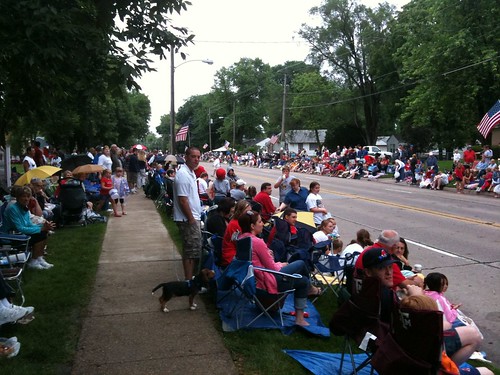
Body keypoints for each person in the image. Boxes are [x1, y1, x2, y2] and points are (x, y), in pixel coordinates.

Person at [238, 210, 320, 326]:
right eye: (260, 221)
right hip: (266, 281)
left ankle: (301, 315)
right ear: (252, 226)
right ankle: (309, 293)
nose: (262, 224)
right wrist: (282, 264)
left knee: (303, 281)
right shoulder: (257, 242)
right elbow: (273, 267)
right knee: (301, 263)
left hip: (252, 280)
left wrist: (268, 254)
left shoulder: (242, 239)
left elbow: (256, 259)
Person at [400, 295, 492, 375]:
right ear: (431, 320)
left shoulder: (403, 335)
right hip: (443, 370)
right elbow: (451, 370)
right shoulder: (435, 348)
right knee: (487, 372)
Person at [423, 273, 484, 366]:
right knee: (469, 328)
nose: (446, 286)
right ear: (437, 285)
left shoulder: (425, 293)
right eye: (443, 284)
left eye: (446, 284)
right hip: (441, 329)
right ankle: (452, 364)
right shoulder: (439, 298)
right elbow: (449, 318)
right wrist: (454, 310)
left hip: (433, 329)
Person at [1, 186, 56, 269]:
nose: (26, 199)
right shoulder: (13, 209)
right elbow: (20, 228)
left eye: (28, 196)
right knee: (40, 234)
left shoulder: (24, 207)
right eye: (23, 196)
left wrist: (43, 226)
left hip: (19, 233)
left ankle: (39, 258)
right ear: (18, 197)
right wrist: (40, 229)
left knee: (44, 231)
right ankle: (33, 262)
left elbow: (28, 224)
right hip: (11, 236)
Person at [355, 230, 423, 289]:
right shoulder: (386, 259)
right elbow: (405, 284)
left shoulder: (369, 251)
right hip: (376, 296)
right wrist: (417, 282)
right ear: (394, 246)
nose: (388, 271)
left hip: (363, 291)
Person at [173, 147, 203, 281]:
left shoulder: (190, 172)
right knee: (190, 252)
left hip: (194, 217)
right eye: (193, 156)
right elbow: (183, 200)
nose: (196, 159)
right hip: (187, 220)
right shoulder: (183, 175)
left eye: (198, 157)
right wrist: (191, 219)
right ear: (186, 157)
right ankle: (189, 282)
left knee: (194, 251)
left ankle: (191, 280)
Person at [221, 200, 251, 267]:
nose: (249, 215)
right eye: (247, 212)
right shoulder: (235, 224)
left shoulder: (239, 222)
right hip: (231, 257)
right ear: (240, 212)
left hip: (236, 254)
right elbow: (242, 244)